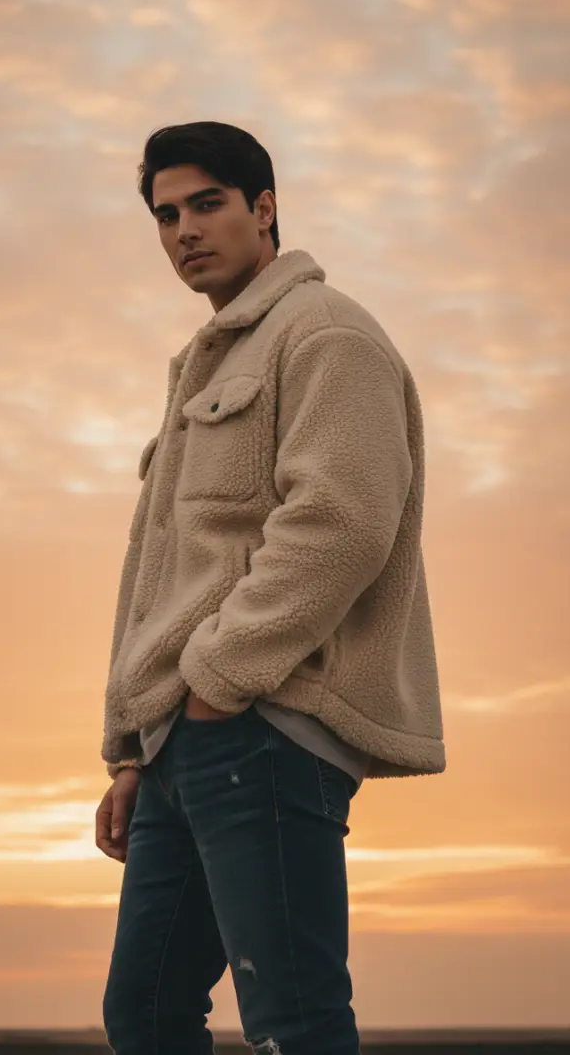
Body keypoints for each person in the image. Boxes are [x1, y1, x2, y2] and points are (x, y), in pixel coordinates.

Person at [95, 121, 446, 1054]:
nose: (184, 231)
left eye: (206, 204)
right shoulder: (212, 360)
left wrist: (219, 684)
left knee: (292, 1021)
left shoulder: (327, 335)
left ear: (264, 207)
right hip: (182, 740)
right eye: (166, 215)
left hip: (263, 723)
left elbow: (342, 524)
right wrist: (135, 746)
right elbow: (166, 573)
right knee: (145, 1014)